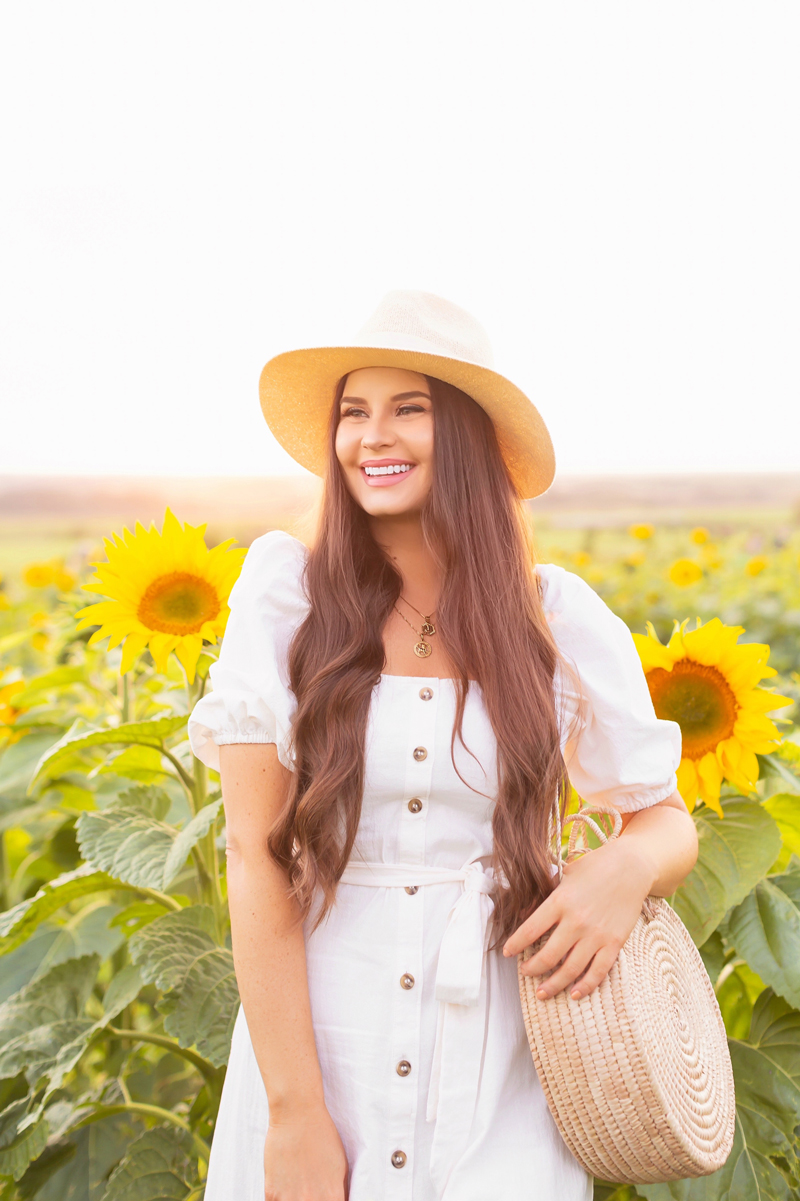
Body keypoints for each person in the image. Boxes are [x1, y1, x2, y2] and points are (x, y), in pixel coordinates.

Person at [188, 291, 699, 1201]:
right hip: (322, 1043)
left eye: (407, 409)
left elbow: (663, 820)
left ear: (463, 433)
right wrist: (297, 1112)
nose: (371, 438)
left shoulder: (556, 618)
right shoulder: (287, 598)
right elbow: (251, 855)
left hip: (500, 1052)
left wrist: (622, 870)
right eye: (354, 412)